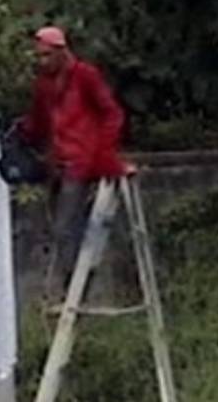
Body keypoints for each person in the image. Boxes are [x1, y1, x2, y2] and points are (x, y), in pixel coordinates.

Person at [15, 26, 131, 299]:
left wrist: (104, 151)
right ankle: (74, 282)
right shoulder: (44, 84)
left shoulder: (85, 76)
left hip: (82, 160)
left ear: (60, 52)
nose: (41, 62)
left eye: (46, 56)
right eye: (38, 57)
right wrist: (21, 134)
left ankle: (76, 289)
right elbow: (39, 123)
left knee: (64, 228)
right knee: (63, 227)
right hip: (58, 162)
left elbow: (111, 113)